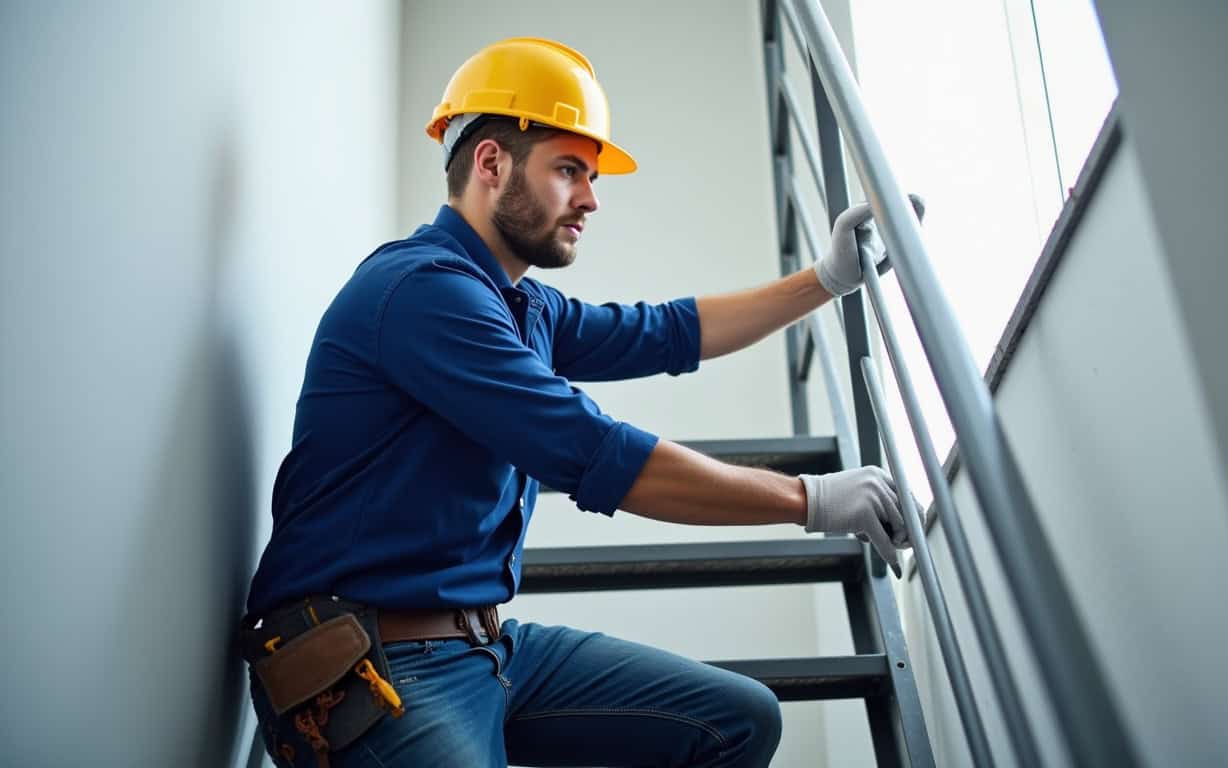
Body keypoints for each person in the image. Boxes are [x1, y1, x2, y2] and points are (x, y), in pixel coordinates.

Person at [240, 36, 913, 768]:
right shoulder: (424, 294)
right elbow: (600, 454)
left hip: (485, 650)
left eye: (590, 176)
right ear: (491, 164)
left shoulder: (524, 307)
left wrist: (825, 279)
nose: (591, 198)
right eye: (569, 171)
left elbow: (665, 333)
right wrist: (809, 498)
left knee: (738, 719)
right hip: (369, 666)